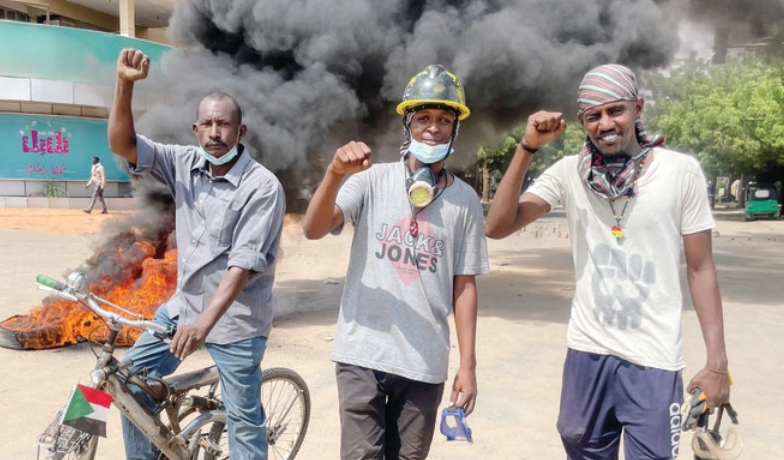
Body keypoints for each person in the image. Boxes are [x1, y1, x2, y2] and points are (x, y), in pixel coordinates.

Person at [485, 64, 731, 460]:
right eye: (593, 116)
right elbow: (497, 227)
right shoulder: (569, 173)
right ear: (582, 122)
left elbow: (701, 268)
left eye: (615, 110)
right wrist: (527, 146)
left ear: (638, 107)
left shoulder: (680, 172)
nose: (605, 123)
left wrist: (717, 364)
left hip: (654, 359)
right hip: (587, 352)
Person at [302, 64, 489, 459]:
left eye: (444, 119)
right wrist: (334, 174)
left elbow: (464, 286)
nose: (433, 128)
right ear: (408, 125)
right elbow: (314, 229)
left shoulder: (465, 200)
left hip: (424, 362)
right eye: (423, 118)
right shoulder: (371, 180)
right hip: (361, 354)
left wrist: (468, 366)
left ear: (456, 128)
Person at [108, 48, 286, 460]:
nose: (214, 132)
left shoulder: (262, 187)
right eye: (206, 123)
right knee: (131, 383)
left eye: (224, 124)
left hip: (237, 324)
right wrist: (124, 85)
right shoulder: (182, 162)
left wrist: (203, 325)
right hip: (183, 309)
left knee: (244, 425)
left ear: (241, 131)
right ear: (195, 129)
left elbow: (241, 267)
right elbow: (124, 143)